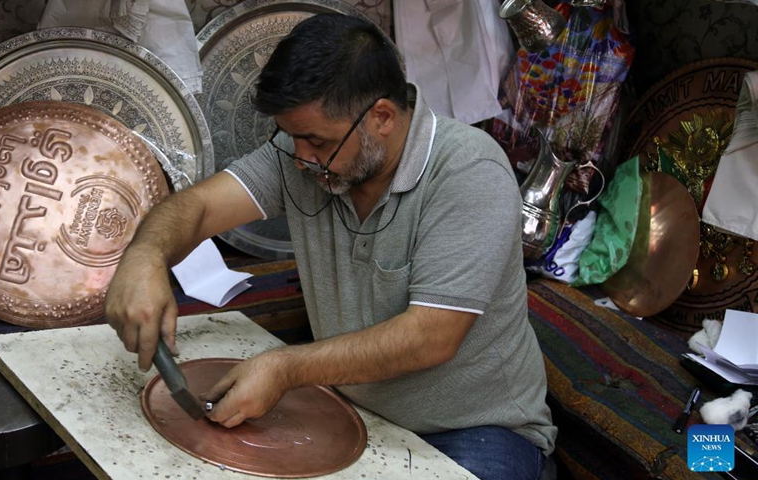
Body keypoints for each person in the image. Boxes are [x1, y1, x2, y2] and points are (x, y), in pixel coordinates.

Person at [105, 13, 557, 480]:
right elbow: (197, 208)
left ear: (382, 116)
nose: (301, 156)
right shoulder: (305, 158)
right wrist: (145, 257)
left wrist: (284, 367)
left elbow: (432, 335)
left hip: (474, 430)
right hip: (350, 407)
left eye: (317, 140)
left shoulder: (468, 171)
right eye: (293, 137)